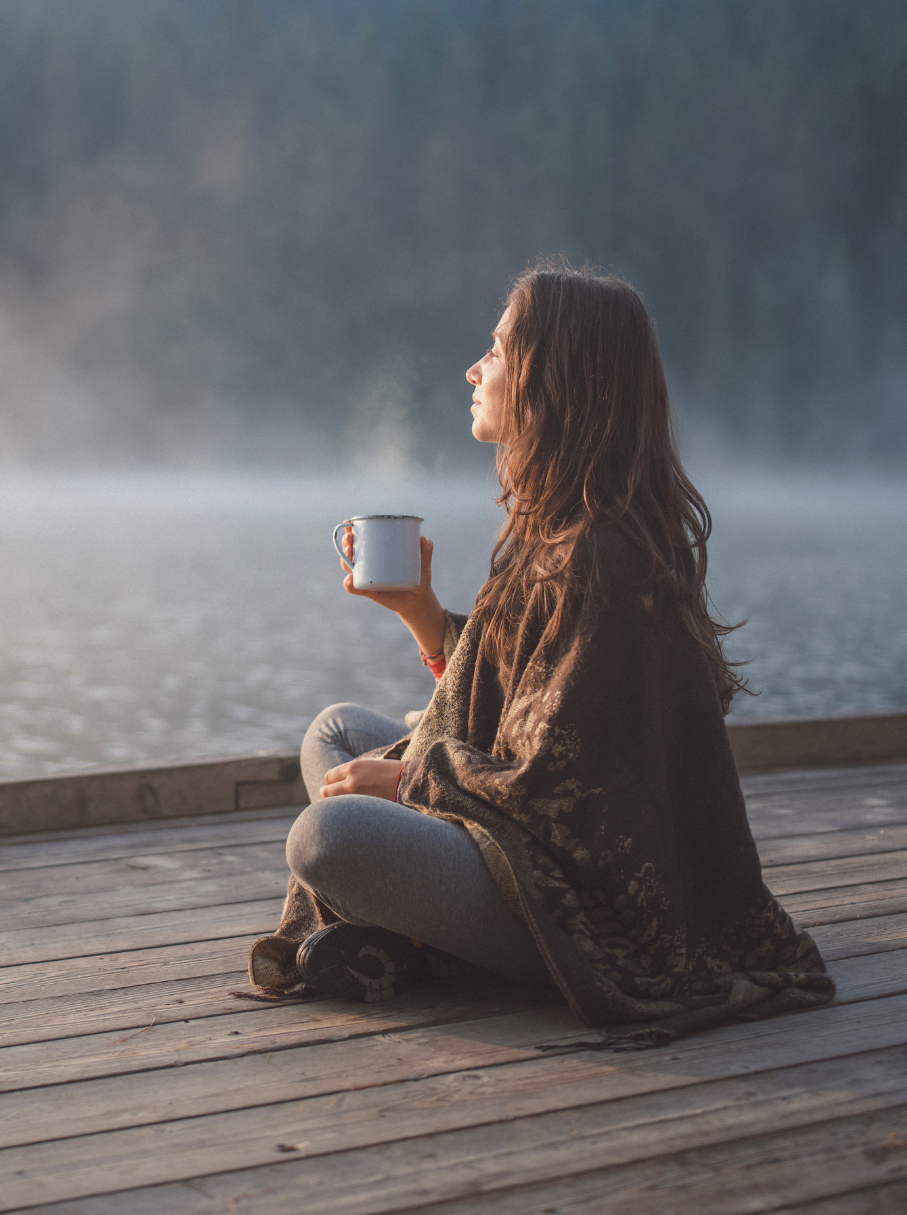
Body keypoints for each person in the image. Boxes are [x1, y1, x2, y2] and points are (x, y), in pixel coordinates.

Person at [245, 260, 834, 1048]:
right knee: (338, 732)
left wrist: (412, 780)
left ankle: (424, 942)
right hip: (522, 842)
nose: (474, 369)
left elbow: (563, 788)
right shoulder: (562, 527)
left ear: (553, 379)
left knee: (328, 838)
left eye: (496, 349)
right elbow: (516, 698)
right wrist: (421, 613)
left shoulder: (602, 555)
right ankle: (409, 932)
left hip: (586, 908)